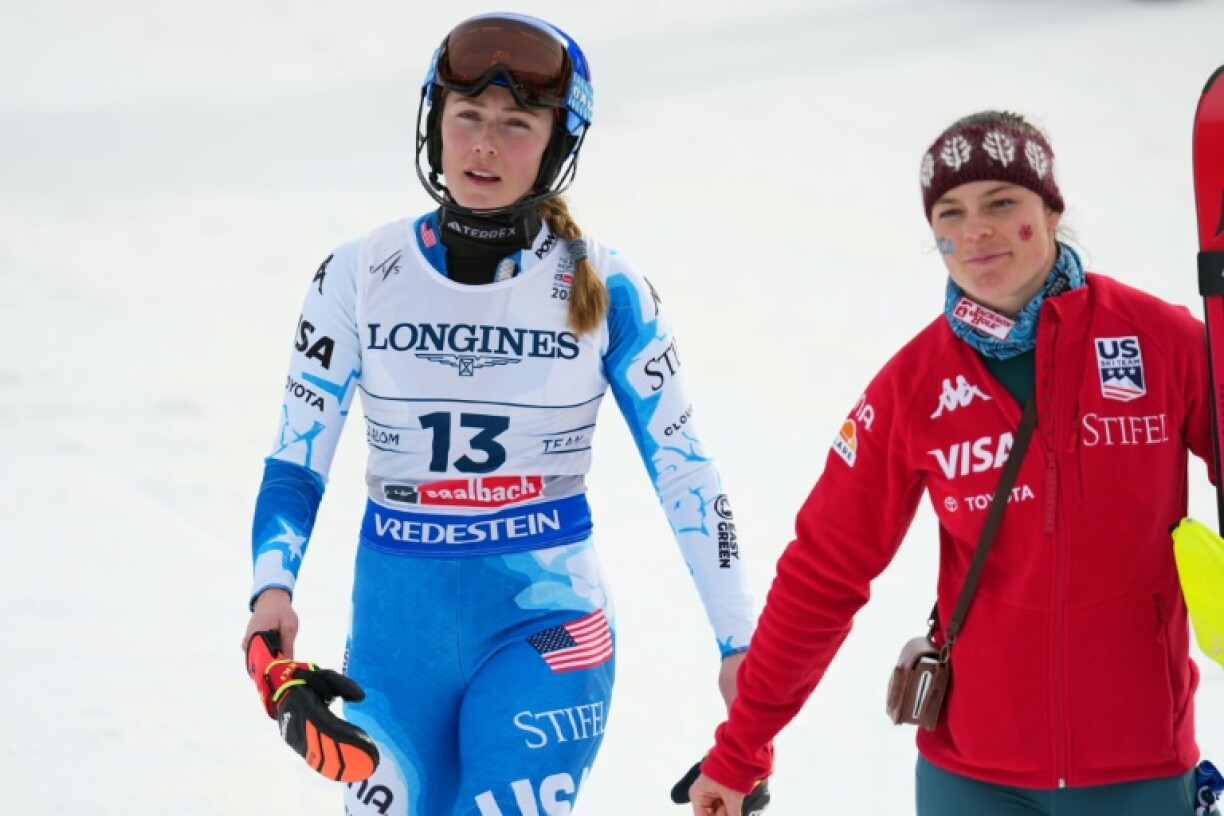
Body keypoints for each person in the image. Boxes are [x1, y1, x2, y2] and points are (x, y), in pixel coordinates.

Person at [239, 11, 757, 815]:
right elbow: (296, 459)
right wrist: (270, 601)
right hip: (396, 628)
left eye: (516, 125)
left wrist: (740, 649)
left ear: (556, 146)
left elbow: (686, 470)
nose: (485, 144)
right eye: (467, 118)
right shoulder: (359, 272)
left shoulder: (608, 288)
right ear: (434, 127)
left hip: (547, 627)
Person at [686, 110, 1215, 816]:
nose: (976, 232)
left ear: (1051, 209)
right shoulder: (913, 387)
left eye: (1002, 203)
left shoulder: (1164, 342)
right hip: (971, 777)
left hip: (1140, 769)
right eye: (951, 212)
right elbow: (823, 572)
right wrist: (740, 750)